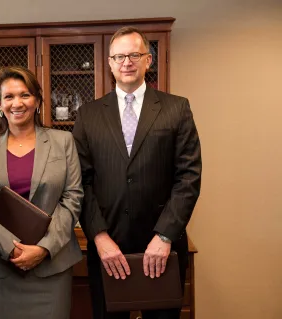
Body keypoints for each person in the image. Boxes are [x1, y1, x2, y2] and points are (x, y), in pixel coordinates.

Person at [73, 26, 202, 319]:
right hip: (108, 248)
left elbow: (188, 177)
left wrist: (165, 237)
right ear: (109, 63)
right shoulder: (89, 114)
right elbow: (81, 181)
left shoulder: (176, 109)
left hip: (162, 249)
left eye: (134, 54)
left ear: (148, 60)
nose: (126, 62)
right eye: (119, 56)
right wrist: (100, 238)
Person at [0, 66, 83, 319]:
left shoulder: (63, 141)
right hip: (1, 267)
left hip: (51, 266)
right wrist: (9, 248)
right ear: (0, 104)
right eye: (9, 97)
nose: (17, 103)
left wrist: (43, 248)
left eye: (25, 95)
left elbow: (73, 198)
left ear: (37, 101)